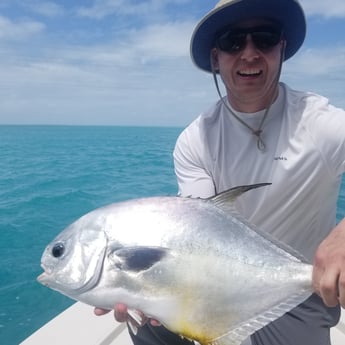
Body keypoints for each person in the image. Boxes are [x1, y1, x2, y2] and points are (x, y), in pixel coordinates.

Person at [95, 0, 345, 344]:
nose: (249, 53)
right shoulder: (196, 140)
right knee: (146, 326)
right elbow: (198, 229)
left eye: (265, 38)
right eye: (233, 41)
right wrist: (136, 286)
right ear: (216, 58)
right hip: (214, 283)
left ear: (281, 49)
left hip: (299, 294)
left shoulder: (320, 124)